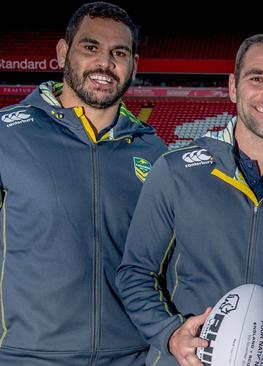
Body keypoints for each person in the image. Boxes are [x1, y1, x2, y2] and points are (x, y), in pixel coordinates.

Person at [116, 33, 263, 366]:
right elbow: (135, 273)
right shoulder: (175, 171)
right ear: (233, 86)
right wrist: (170, 334)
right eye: (256, 78)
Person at [0, 2, 167, 365]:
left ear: (134, 65)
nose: (105, 63)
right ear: (63, 52)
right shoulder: (6, 134)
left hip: (131, 357)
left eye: (118, 53)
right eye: (91, 47)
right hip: (25, 357)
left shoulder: (155, 151)